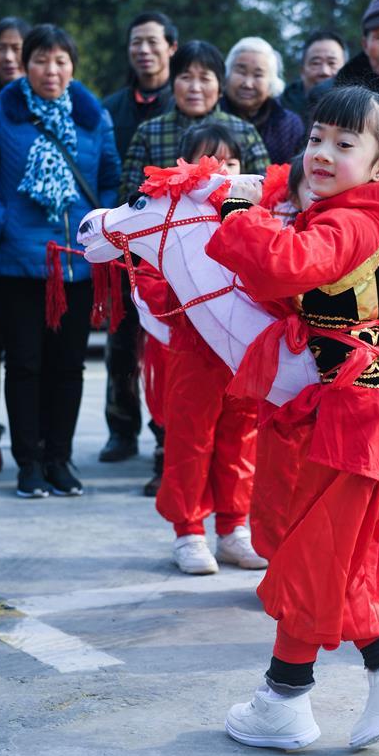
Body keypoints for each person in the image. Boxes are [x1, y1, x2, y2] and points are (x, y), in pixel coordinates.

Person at [206, 82, 379, 751]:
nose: (321, 152)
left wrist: (235, 215)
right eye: (314, 138)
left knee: (311, 555)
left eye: (344, 143)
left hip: (350, 420)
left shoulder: (350, 220)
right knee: (341, 553)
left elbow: (288, 266)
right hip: (347, 413)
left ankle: (285, 697)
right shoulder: (355, 214)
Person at [0, 23, 120, 497]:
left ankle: (59, 459)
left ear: (72, 67)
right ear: (26, 65)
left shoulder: (93, 117)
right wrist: (4, 225)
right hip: (20, 264)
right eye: (41, 59)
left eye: (61, 60)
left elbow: (109, 179)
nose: (51, 70)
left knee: (68, 366)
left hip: (77, 263)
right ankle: (29, 464)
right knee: (24, 365)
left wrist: (95, 229)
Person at [136, 127, 266, 573]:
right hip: (194, 346)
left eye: (229, 162)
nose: (221, 171)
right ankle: (188, 530)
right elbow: (149, 275)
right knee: (190, 437)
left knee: (242, 436)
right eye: (208, 161)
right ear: (185, 168)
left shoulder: (255, 212)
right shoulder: (168, 214)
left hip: (241, 347)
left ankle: (234, 527)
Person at [99, 11, 178, 465]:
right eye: (136, 43)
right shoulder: (112, 108)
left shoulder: (182, 102)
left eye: (152, 42)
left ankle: (164, 433)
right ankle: (121, 428)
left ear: (170, 46)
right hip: (126, 243)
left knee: (165, 348)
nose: (143, 50)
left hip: (171, 249)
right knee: (123, 341)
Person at [121, 41, 270, 200]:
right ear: (172, 84)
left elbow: (265, 188)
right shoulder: (149, 132)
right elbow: (129, 194)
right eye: (186, 77)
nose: (195, 88)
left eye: (205, 79)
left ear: (220, 87)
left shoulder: (244, 131)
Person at [0, 17, 31, 473]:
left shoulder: (44, 107)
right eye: (0, 47)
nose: (9, 57)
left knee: (21, 352)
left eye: (18, 48)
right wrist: (3, 223)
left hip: (23, 253)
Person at [221, 37, 305, 164]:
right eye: (241, 71)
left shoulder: (290, 125)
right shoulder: (210, 117)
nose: (248, 84)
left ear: (272, 82)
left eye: (258, 75)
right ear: (226, 75)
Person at [281, 30, 347, 122]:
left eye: (332, 63)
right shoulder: (279, 110)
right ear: (302, 71)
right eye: (316, 63)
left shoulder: (361, 109)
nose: (324, 72)